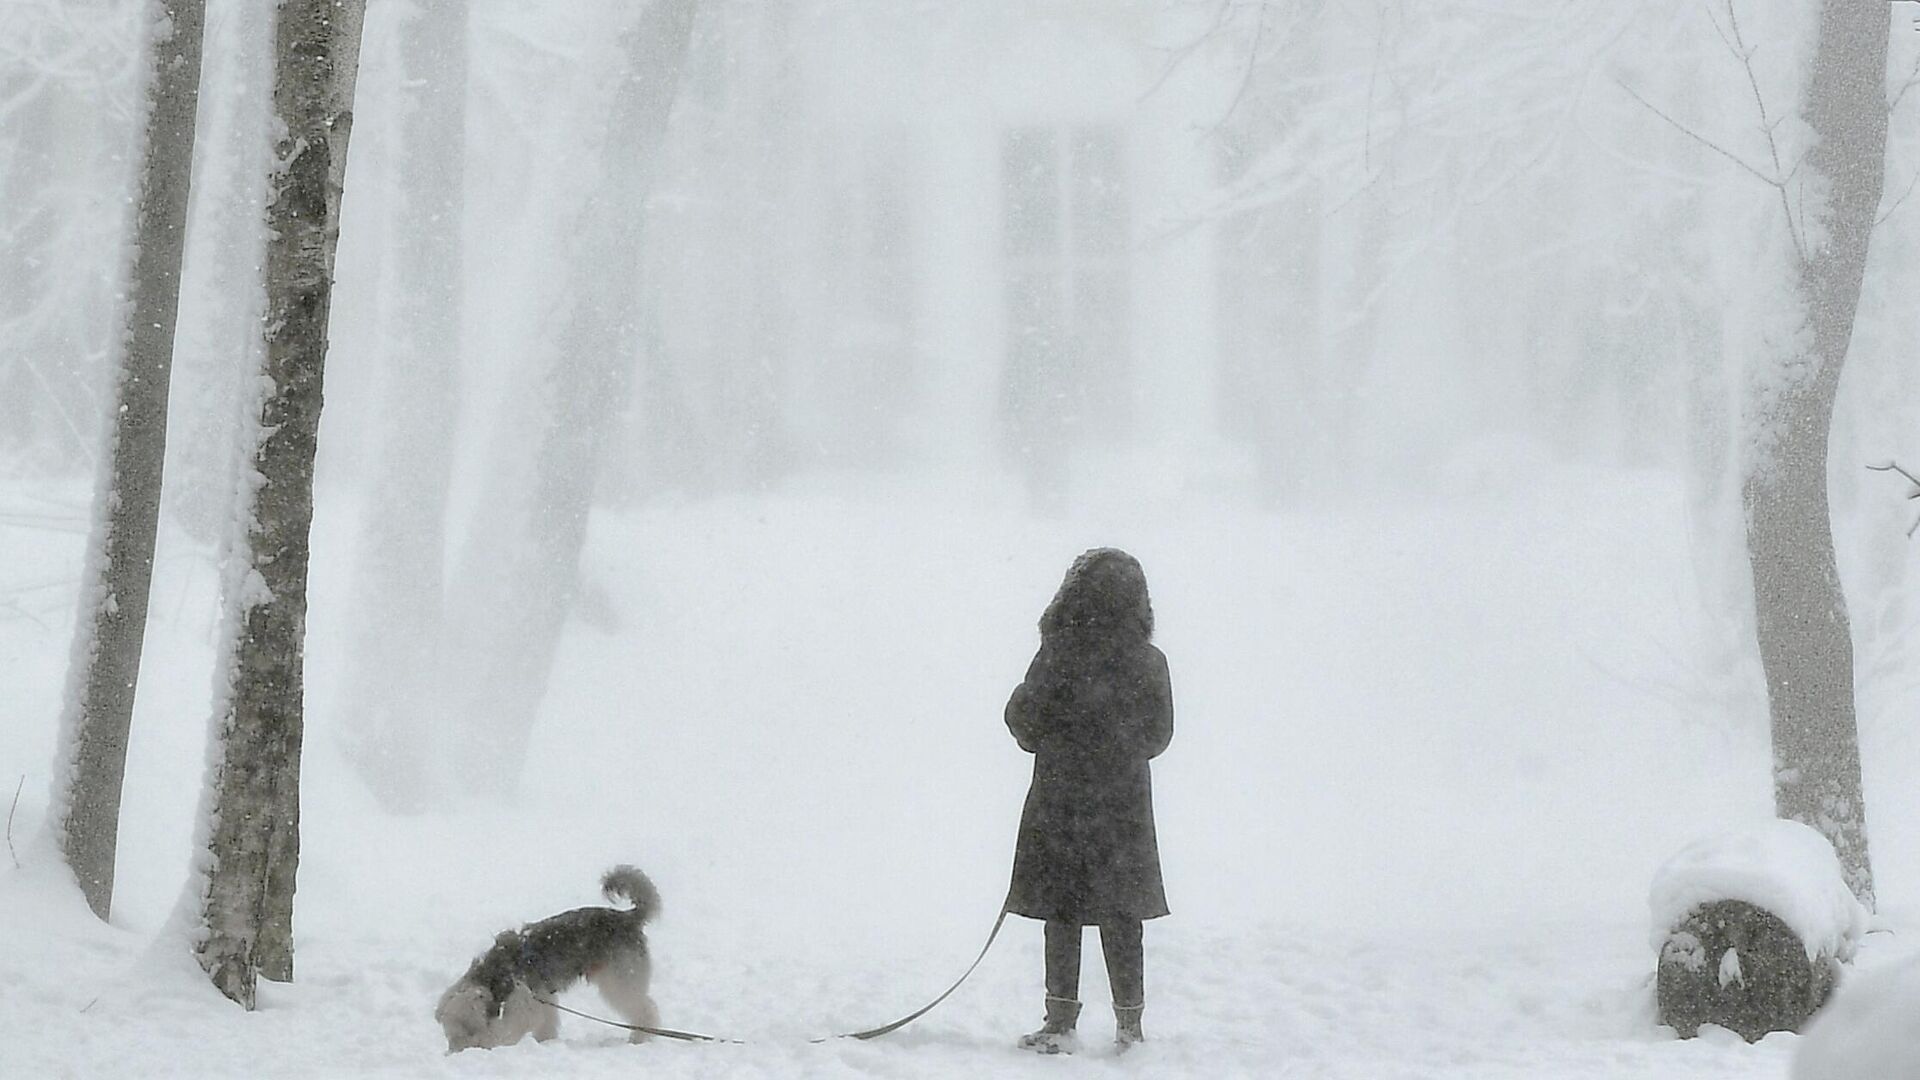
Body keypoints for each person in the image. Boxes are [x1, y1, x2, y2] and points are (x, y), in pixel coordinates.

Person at [1003, 548, 1174, 1054]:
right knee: (1124, 915)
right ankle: (1130, 1027)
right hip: (1123, 809)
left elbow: (1025, 725)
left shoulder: (1057, 652)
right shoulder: (1149, 661)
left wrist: (1037, 715)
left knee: (1063, 910)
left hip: (1060, 801)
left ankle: (1059, 1021)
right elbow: (1159, 736)